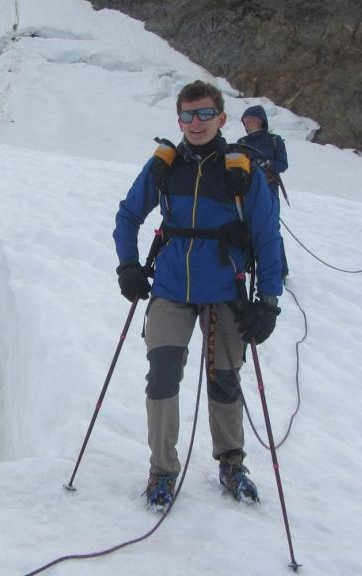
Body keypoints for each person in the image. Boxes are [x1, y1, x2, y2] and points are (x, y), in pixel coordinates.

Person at [112, 81, 284, 510]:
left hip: (225, 291)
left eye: (205, 114)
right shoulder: (165, 165)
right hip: (171, 287)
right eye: (188, 115)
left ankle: (231, 463)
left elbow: (267, 238)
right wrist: (128, 265)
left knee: (224, 379)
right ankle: (163, 470)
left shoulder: (239, 169)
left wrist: (268, 301)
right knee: (163, 375)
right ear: (179, 120)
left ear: (222, 118)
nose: (196, 123)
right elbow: (128, 214)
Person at [238, 105, 289, 278]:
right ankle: (246, 264)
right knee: (245, 227)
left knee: (271, 229)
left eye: (253, 119)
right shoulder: (242, 143)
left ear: (261, 121)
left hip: (269, 190)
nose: (249, 123)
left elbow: (283, 164)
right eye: (247, 120)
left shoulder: (275, 141)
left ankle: (280, 270)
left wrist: (267, 164)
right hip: (247, 191)